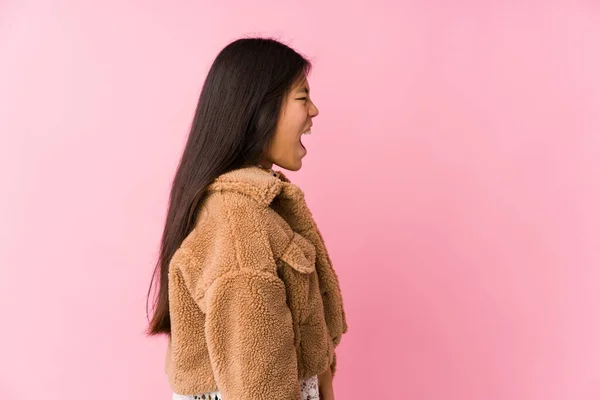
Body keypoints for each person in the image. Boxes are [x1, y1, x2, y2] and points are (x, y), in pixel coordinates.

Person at [146, 37, 348, 400]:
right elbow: (260, 385)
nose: (313, 110)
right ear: (259, 110)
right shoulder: (240, 227)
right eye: (302, 97)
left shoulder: (253, 211)